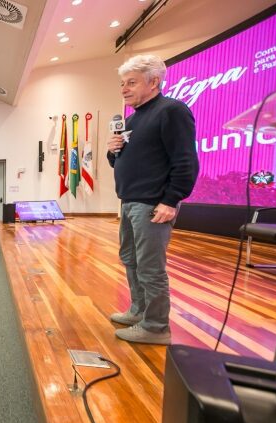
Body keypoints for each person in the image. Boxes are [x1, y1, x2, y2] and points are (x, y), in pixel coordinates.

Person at [106, 55, 199, 345]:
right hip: (130, 201)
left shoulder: (171, 111)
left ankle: (157, 327)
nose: (124, 88)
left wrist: (171, 200)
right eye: (122, 83)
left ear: (154, 81)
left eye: (131, 82)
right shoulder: (132, 119)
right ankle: (139, 311)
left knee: (150, 266)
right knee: (130, 260)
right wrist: (113, 150)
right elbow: (122, 161)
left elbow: (186, 162)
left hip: (153, 204)